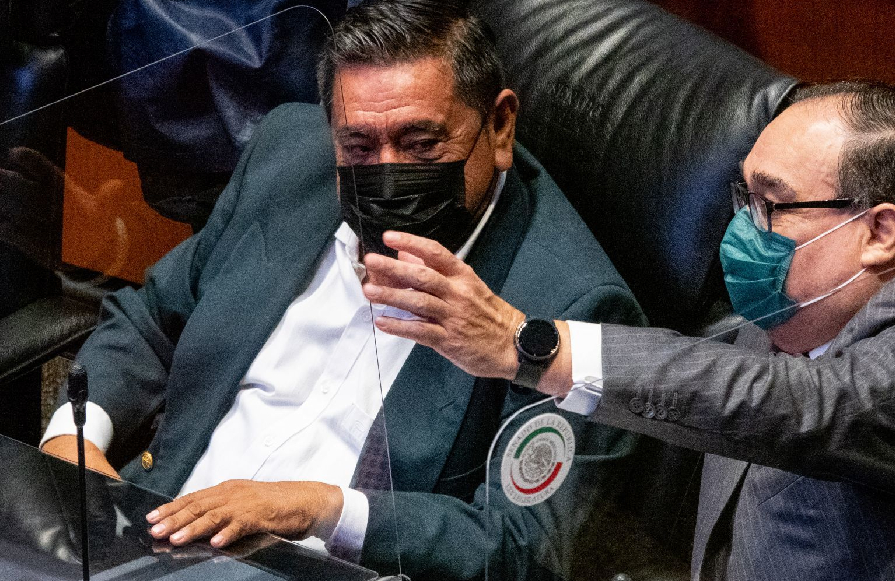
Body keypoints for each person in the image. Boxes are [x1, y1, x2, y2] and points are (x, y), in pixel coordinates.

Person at [360, 81, 895, 579]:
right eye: (741, 197)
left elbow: (809, 407)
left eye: (770, 204)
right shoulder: (779, 323)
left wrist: (530, 345)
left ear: (879, 231)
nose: (740, 230)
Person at [40, 2, 645, 579]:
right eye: (359, 147)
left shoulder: (573, 313)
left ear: (500, 126)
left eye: (421, 144)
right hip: (152, 530)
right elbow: (152, 316)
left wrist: (323, 509)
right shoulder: (288, 156)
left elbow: (521, 550)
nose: (387, 172)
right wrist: (75, 432)